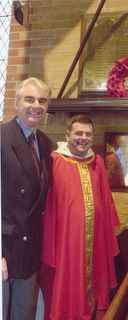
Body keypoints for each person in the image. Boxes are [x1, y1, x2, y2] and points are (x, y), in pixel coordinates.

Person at [39, 114, 120, 320]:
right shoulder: (55, 161)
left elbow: (106, 201)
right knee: (67, 285)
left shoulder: (98, 162)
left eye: (88, 134)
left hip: (95, 240)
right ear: (68, 135)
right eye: (78, 133)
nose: (83, 138)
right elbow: (48, 206)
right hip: (66, 241)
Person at [1, 77, 53, 320]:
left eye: (42, 100)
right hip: (5, 249)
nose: (36, 105)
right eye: (29, 99)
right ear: (16, 102)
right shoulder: (2, 137)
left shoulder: (44, 142)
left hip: (29, 249)